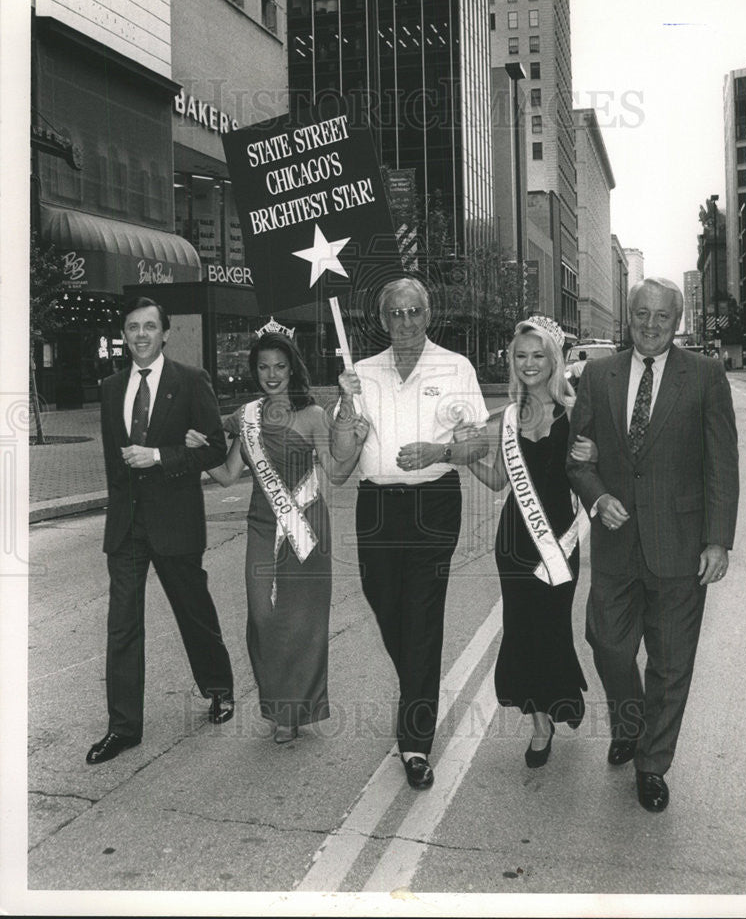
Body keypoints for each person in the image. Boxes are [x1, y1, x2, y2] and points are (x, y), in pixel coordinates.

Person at [566, 277, 739, 812]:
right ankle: (632, 721)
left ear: (677, 321)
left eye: (661, 317)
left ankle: (651, 762)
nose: (649, 325)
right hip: (617, 543)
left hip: (682, 546)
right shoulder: (598, 374)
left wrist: (717, 541)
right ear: (630, 316)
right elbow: (577, 459)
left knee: (670, 662)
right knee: (609, 643)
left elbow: (721, 463)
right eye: (641, 314)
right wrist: (596, 496)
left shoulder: (706, 375)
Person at [332, 277, 489, 790]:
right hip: (376, 505)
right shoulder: (362, 374)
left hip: (433, 504)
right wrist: (345, 406)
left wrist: (438, 452)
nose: (405, 322)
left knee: (422, 612)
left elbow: (477, 447)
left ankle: (415, 741)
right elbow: (341, 454)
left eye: (414, 311)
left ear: (429, 314)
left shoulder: (456, 367)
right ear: (382, 320)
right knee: (386, 605)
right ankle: (417, 685)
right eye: (395, 313)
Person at [186, 331, 368, 743]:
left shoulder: (313, 416)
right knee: (262, 619)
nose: (271, 375)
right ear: (255, 370)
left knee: (301, 623)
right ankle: (277, 702)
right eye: (264, 367)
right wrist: (199, 451)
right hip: (262, 526)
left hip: (307, 528)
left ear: (293, 369)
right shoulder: (246, 417)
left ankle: (291, 712)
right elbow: (229, 474)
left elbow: (337, 473)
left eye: (279, 367)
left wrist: (357, 443)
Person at [87, 297, 235, 765]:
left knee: (193, 611)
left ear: (165, 333)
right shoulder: (110, 388)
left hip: (176, 521)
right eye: (133, 328)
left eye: (150, 327)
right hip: (128, 527)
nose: (141, 335)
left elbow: (213, 450)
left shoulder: (191, 382)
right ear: (125, 335)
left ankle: (219, 689)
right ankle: (123, 728)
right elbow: (115, 462)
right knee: (123, 627)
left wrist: (161, 456)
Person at [457, 317, 595, 767]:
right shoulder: (509, 418)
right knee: (520, 628)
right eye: (521, 356)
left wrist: (594, 455)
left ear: (553, 360)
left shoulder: (575, 413)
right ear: (512, 362)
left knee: (552, 627)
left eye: (538, 355)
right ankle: (539, 723)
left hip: (560, 540)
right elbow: (500, 481)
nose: (529, 364)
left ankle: (558, 703)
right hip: (516, 540)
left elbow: (597, 474)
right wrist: (467, 458)